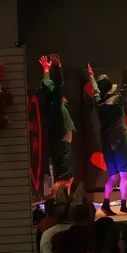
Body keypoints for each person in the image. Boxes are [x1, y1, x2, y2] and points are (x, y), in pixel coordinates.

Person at [88, 53, 127, 215]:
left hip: (106, 142)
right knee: (124, 175)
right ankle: (123, 204)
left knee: (113, 176)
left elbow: (96, 91)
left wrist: (91, 77)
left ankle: (106, 203)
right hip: (120, 141)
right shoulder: (117, 100)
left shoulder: (98, 102)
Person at [39, 53, 76, 196]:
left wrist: (46, 70)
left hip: (59, 142)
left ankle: (63, 203)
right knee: (63, 179)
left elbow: (47, 84)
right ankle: (54, 204)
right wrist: (57, 67)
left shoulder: (49, 102)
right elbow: (59, 84)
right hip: (62, 143)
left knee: (68, 178)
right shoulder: (55, 102)